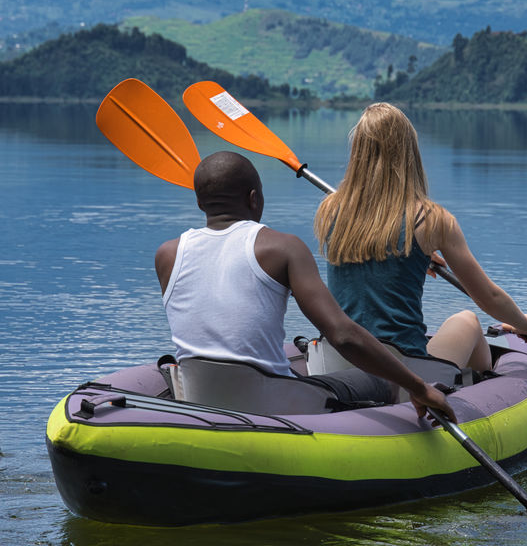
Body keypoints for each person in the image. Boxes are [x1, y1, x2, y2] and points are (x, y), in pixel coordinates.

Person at [156, 151, 451, 419]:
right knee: (381, 378)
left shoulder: (167, 256)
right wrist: (419, 387)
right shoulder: (282, 248)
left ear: (199, 202)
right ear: (254, 198)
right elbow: (342, 334)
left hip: (200, 402)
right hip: (273, 406)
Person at [314, 103, 527, 374]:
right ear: (409, 153)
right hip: (402, 370)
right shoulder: (433, 220)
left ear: (358, 152)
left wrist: (415, 256)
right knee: (468, 320)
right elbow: (488, 297)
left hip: (335, 362)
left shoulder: (329, 210)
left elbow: (369, 257)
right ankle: (473, 396)